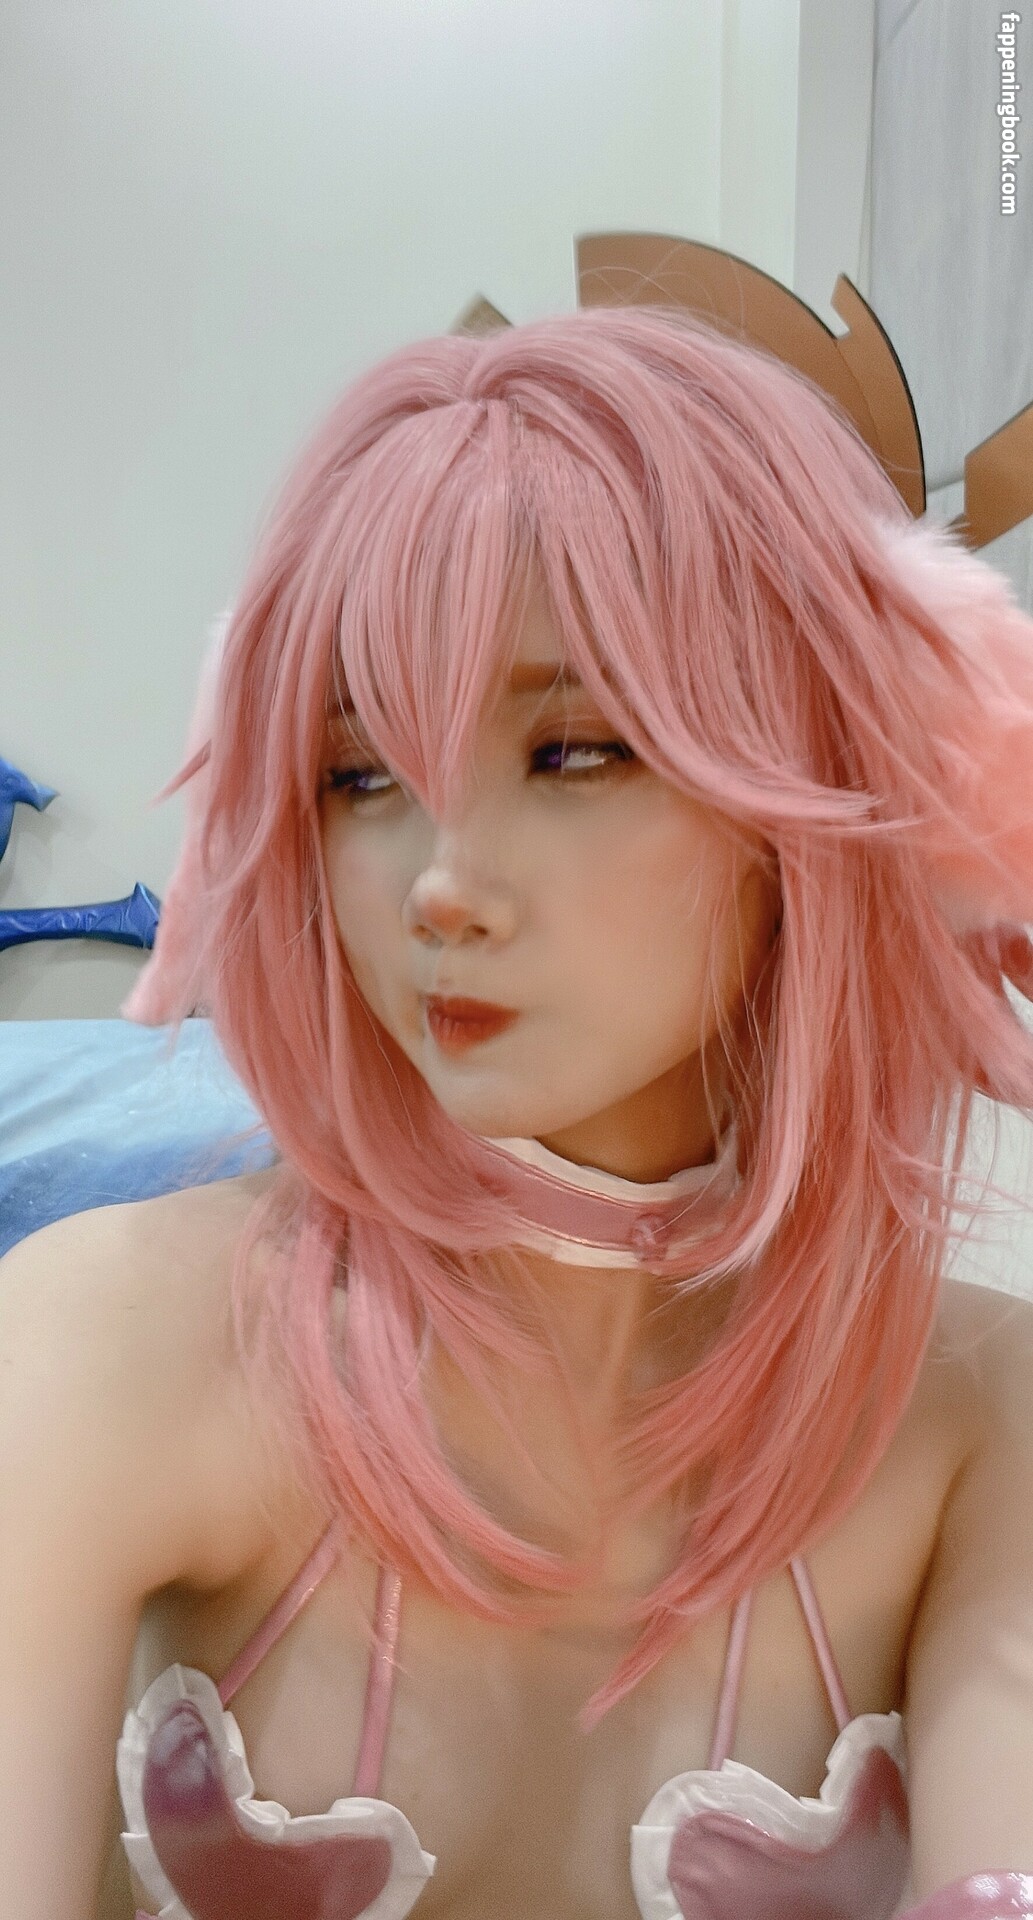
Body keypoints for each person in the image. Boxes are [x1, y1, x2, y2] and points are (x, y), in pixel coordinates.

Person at [3, 303, 1033, 1920]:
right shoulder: (104, 1338)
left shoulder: (978, 1415)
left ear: (820, 793)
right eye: (357, 775)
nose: (439, 884)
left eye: (572, 751)